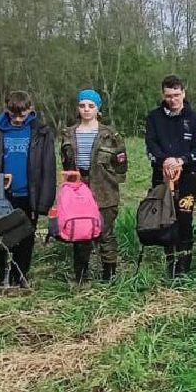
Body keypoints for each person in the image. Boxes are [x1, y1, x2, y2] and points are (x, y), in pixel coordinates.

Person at [0, 90, 56, 287]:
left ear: (31, 110)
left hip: (29, 193)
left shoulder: (41, 131)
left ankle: (21, 273)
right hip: (2, 193)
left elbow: (48, 166)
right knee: (1, 233)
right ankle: (4, 274)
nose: (18, 119)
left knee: (26, 236)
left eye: (23, 114)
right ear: (6, 110)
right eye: (13, 115)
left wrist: (44, 200)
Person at [58, 89, 128, 283]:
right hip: (78, 189)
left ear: (98, 108)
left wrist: (110, 181)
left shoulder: (110, 135)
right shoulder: (69, 134)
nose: (86, 110)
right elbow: (65, 162)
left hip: (104, 189)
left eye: (91, 106)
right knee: (80, 231)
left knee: (105, 233)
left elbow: (121, 165)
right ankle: (81, 276)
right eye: (82, 106)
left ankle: (109, 275)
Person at [144, 75, 196, 278]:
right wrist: (165, 161)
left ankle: (184, 265)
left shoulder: (194, 119)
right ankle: (170, 262)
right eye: (169, 96)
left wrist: (181, 160)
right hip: (161, 177)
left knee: (184, 218)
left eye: (177, 95)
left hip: (187, 176)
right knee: (166, 219)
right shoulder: (153, 118)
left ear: (183, 93)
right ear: (163, 95)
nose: (173, 99)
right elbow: (150, 145)